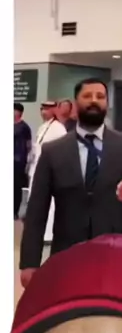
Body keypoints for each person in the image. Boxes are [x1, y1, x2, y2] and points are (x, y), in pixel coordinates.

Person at [19, 79, 122, 289]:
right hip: (67, 254)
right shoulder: (54, 151)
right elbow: (37, 209)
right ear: (75, 103)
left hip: (116, 253)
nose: (94, 101)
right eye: (87, 96)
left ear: (107, 103)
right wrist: (29, 262)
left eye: (100, 96)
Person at [29, 101, 67, 243]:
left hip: (51, 171)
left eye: (47, 109)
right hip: (36, 168)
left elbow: (62, 152)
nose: (43, 112)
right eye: (42, 109)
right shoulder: (43, 127)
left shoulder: (59, 128)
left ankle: (49, 234)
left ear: (54, 111)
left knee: (50, 204)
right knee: (37, 202)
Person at [13, 102, 32, 219]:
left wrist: (28, 162)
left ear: (19, 112)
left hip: (18, 161)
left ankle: (14, 211)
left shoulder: (24, 127)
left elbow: (29, 145)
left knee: (16, 186)